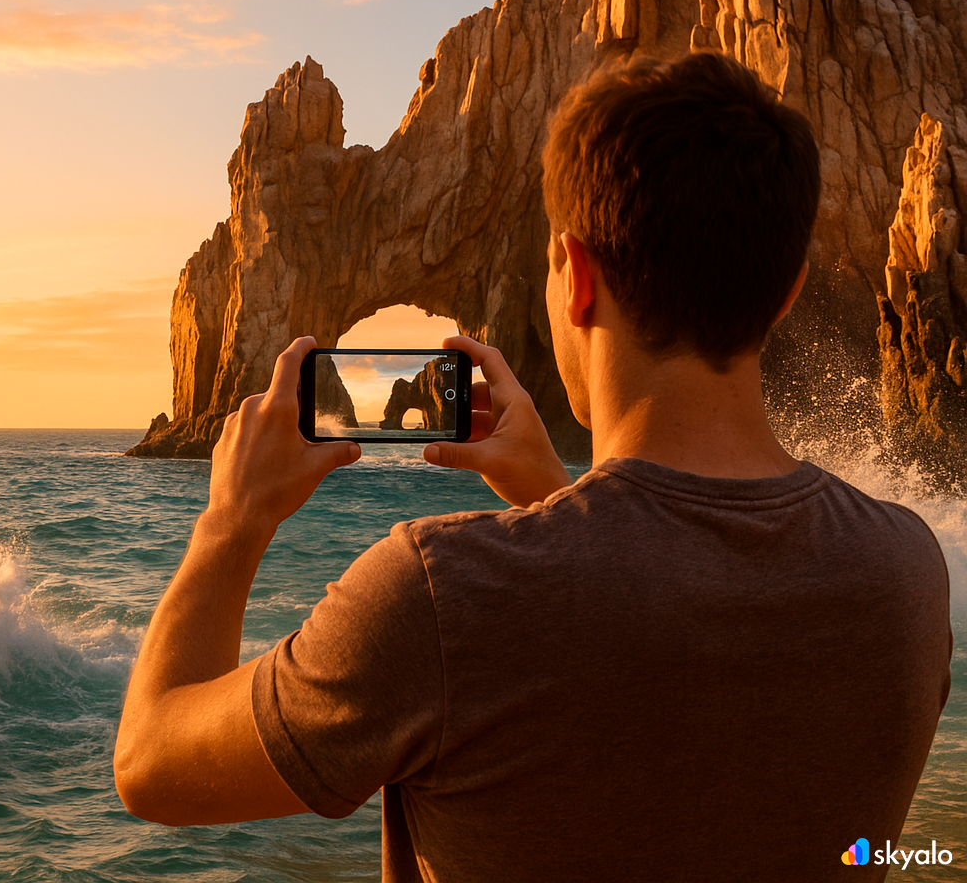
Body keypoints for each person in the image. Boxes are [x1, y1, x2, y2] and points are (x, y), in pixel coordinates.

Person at [112, 52, 953, 880]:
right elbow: (672, 662)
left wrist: (233, 520)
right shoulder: (908, 575)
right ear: (787, 290)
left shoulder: (439, 597)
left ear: (576, 277)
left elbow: (151, 765)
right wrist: (559, 495)